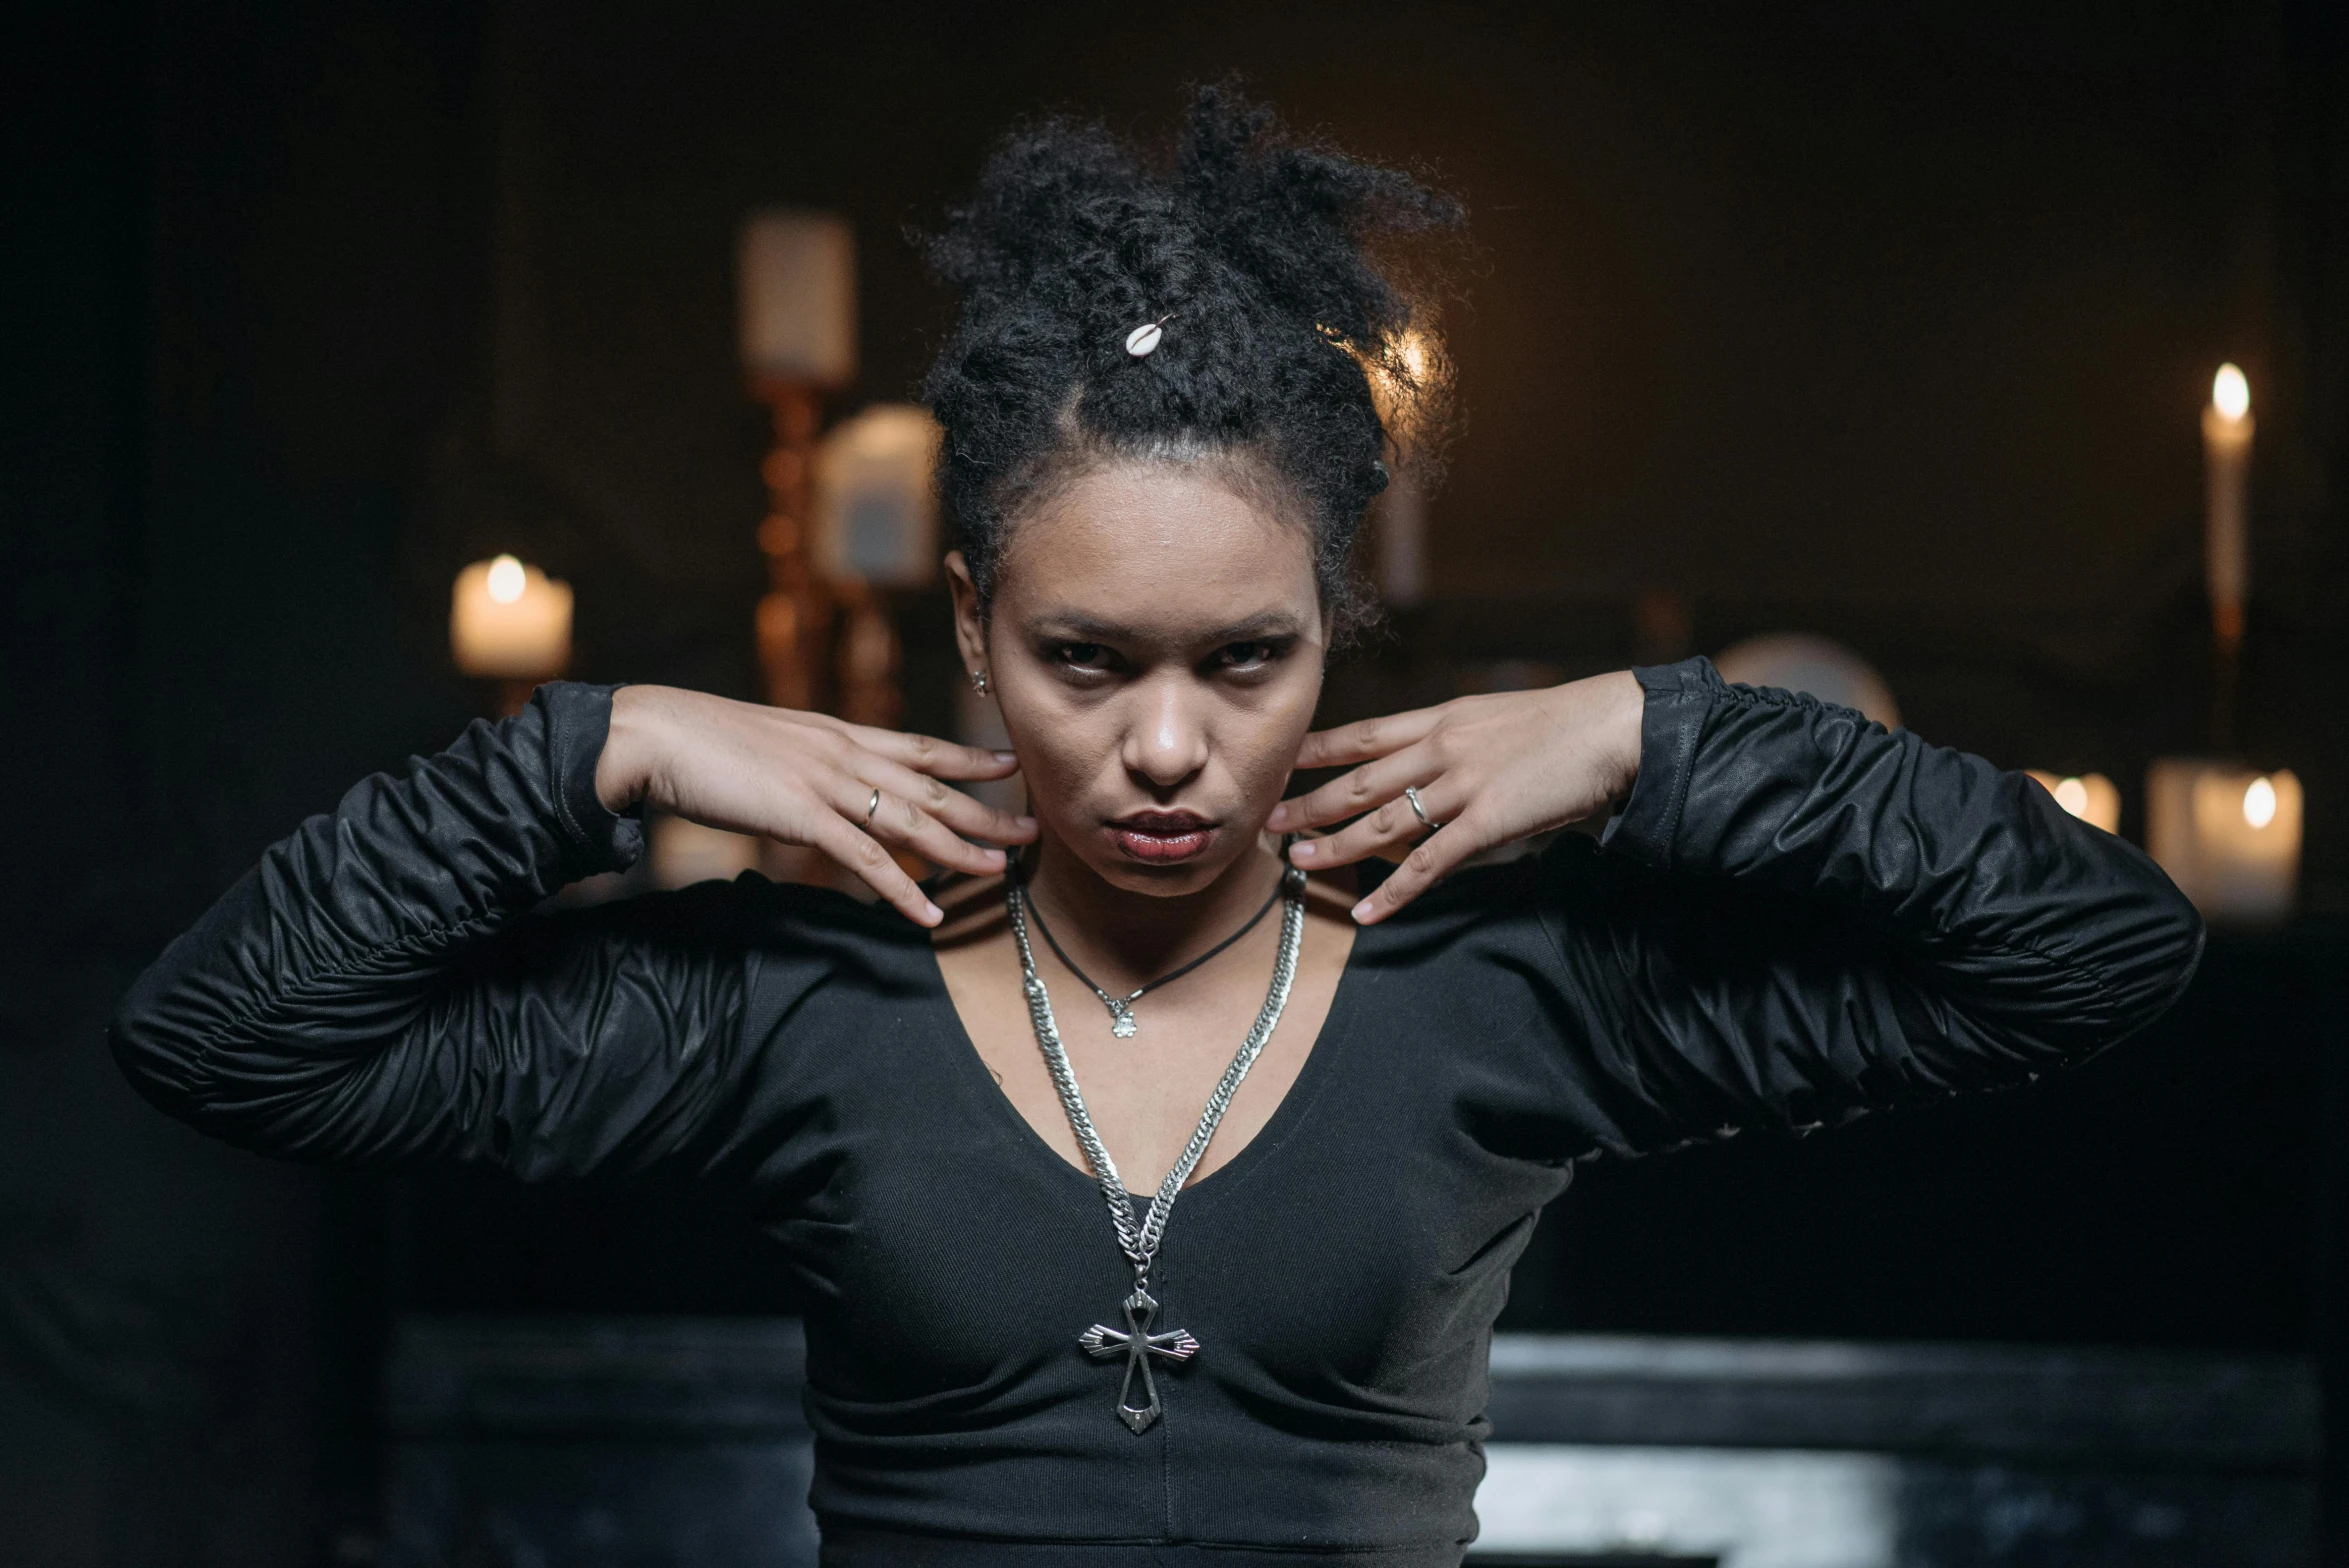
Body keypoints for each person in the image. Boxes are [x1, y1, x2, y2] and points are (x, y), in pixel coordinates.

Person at [111, 86, 2202, 1566]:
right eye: (1090, 663)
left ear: (1331, 633)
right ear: (971, 626)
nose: (1173, 748)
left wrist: (1661, 735)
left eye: (1249, 661)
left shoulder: (1505, 980)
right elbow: (223, 1034)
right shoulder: (802, 991)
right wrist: (597, 748)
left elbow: (2101, 947)